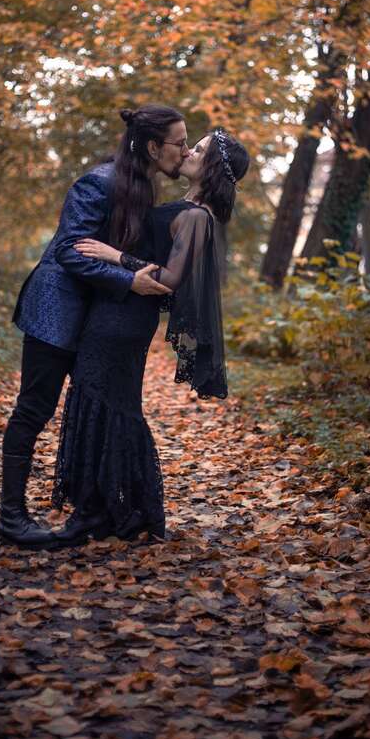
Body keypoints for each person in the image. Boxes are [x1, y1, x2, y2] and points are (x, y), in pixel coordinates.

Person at [0, 105, 189, 549]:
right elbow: (70, 250)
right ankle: (11, 518)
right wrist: (129, 280)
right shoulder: (99, 182)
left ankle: (98, 511)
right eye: (178, 143)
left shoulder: (142, 187)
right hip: (55, 313)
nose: (183, 151)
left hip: (92, 320)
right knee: (33, 410)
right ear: (152, 146)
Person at [49, 127, 250, 546]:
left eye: (199, 150)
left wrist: (115, 256)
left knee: (105, 401)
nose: (190, 152)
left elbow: (173, 278)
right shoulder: (184, 207)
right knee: (101, 400)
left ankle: (106, 511)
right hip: (118, 309)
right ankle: (110, 508)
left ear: (211, 166)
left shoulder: (197, 217)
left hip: (125, 320)